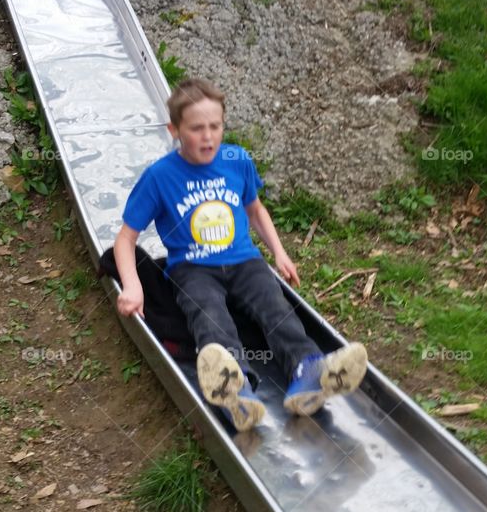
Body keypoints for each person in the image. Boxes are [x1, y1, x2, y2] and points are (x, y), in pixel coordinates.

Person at [113, 78, 368, 431]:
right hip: (192, 268)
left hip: (245, 260)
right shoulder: (160, 177)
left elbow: (255, 209)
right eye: (197, 128)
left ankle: (309, 371)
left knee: (275, 306)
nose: (208, 137)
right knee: (209, 315)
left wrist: (279, 253)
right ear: (174, 130)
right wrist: (132, 285)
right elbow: (125, 239)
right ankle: (236, 388)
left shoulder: (237, 160)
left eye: (215, 126)